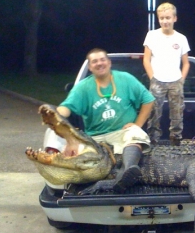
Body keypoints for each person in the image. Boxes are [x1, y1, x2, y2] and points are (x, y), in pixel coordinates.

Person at [57, 48, 155, 192]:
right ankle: (75, 188)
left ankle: (127, 172)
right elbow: (66, 107)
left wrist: (138, 124)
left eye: (102, 60)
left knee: (136, 133)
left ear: (109, 63)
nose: (99, 63)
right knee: (72, 156)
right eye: (94, 61)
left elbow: (148, 100)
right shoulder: (83, 87)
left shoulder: (125, 79)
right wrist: (54, 113)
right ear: (90, 67)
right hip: (95, 137)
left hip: (122, 132)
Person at [143, 2, 190, 146]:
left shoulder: (181, 38)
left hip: (175, 82)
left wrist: (181, 80)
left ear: (175, 18)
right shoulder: (152, 35)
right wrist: (152, 78)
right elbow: (146, 59)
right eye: (162, 18)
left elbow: (186, 63)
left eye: (168, 18)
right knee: (154, 115)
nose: (165, 21)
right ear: (158, 19)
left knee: (177, 115)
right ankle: (153, 142)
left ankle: (176, 142)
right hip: (157, 81)